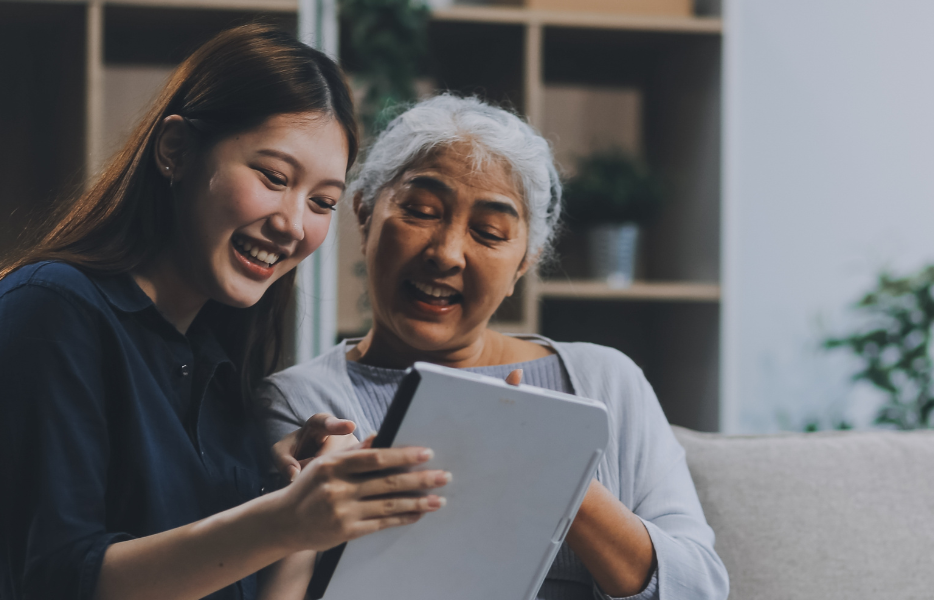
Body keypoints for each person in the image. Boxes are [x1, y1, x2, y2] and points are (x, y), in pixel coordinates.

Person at [0, 25, 451, 600]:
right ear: (175, 151)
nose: (294, 225)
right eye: (273, 177)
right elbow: (54, 584)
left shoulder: (213, 365)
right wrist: (282, 521)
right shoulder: (44, 312)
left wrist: (295, 516)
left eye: (322, 202)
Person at [259, 95, 730, 600]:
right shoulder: (300, 407)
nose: (446, 253)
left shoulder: (606, 381)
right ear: (365, 215)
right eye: (420, 212)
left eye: (489, 232)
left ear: (524, 263)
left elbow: (699, 587)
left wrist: (555, 470)